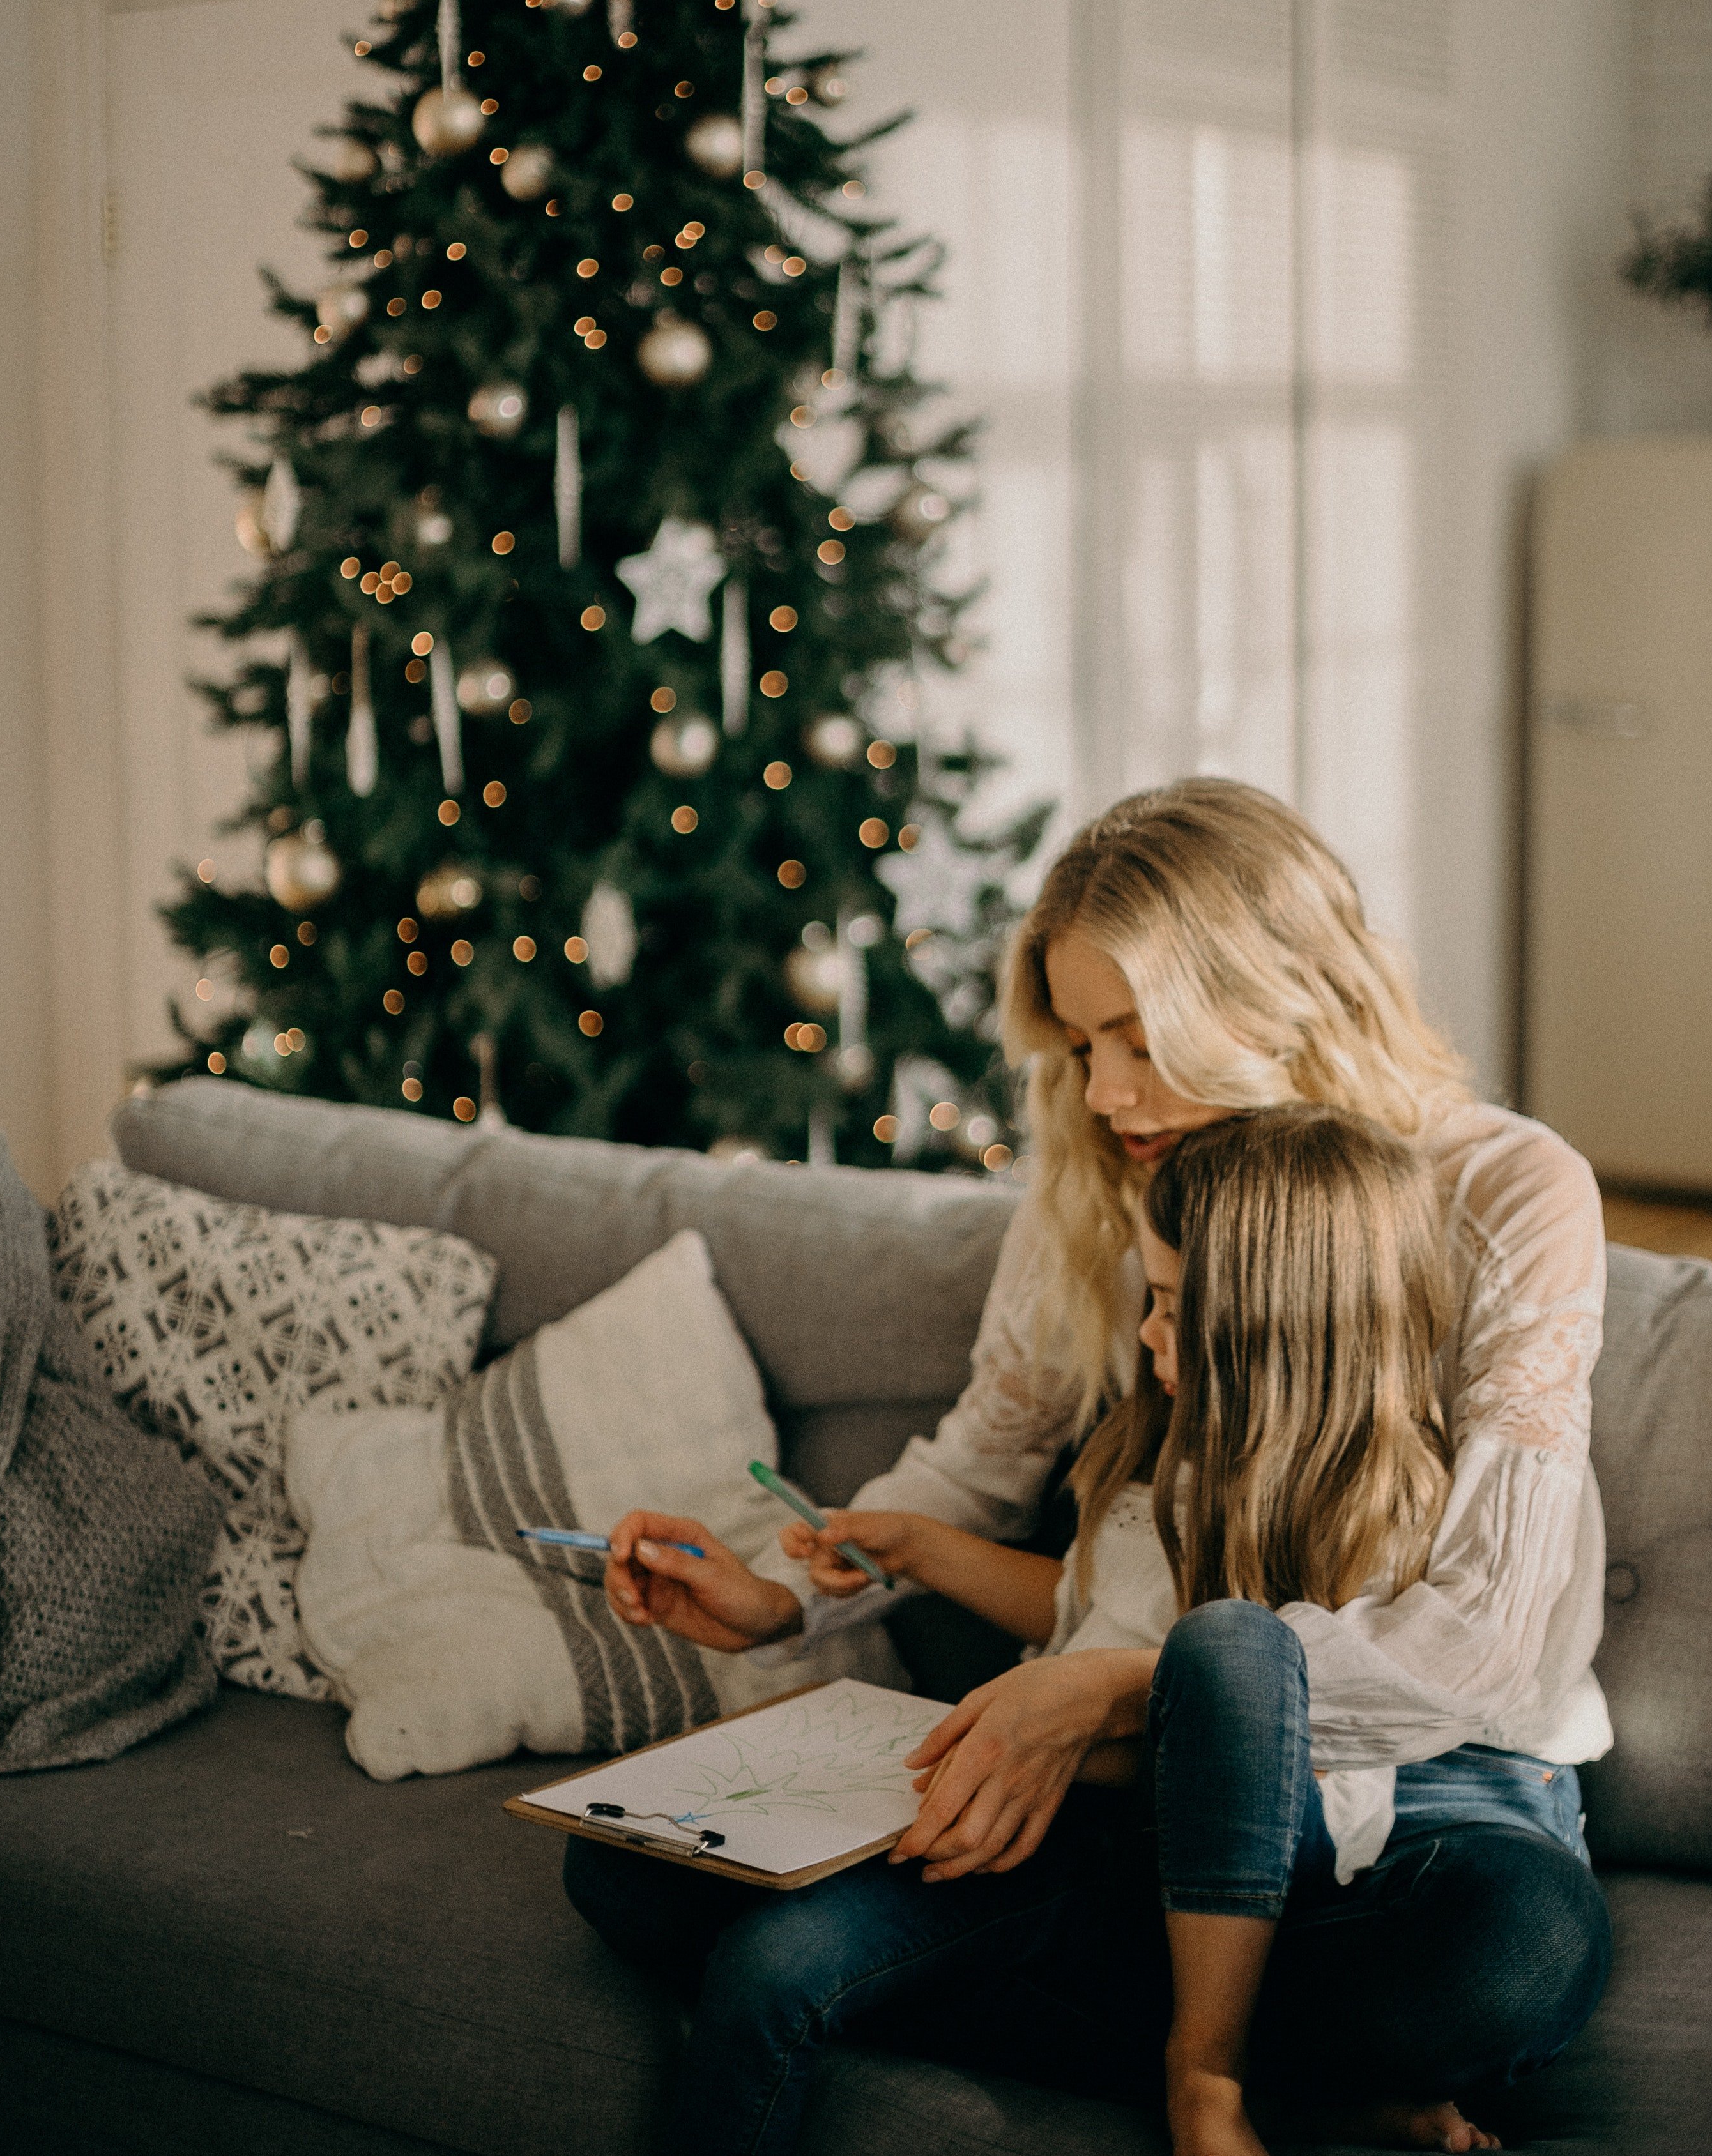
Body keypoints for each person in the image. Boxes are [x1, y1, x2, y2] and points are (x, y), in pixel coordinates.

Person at [567, 781, 1614, 2150]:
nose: (1106, 1093)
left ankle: (1211, 2033)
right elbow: (976, 1467)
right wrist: (784, 1595)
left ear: (1280, 992)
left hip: (1433, 1789)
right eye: (1077, 1046)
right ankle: (1271, 2055)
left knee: (1509, 1959)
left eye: (1137, 1037)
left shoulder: (1506, 1193)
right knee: (635, 1872)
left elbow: (1482, 1642)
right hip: (1136, 1806)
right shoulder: (1111, 1182)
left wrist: (1123, 1695)